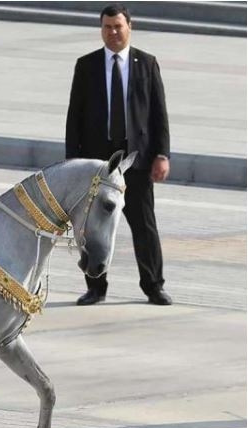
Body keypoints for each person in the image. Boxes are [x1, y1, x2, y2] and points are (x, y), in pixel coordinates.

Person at [65, 3, 172, 306]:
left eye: (118, 26)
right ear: (101, 30)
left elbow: (158, 115)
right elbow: (75, 116)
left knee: (144, 225)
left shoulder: (146, 63)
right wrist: (73, 161)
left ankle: (153, 285)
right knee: (92, 226)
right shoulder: (86, 65)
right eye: (107, 27)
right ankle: (95, 287)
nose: (113, 32)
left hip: (136, 161)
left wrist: (161, 154)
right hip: (97, 162)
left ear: (129, 26)